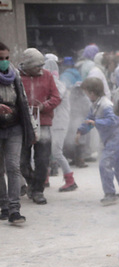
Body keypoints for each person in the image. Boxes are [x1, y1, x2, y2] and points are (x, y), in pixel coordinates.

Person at [19, 48, 61, 205]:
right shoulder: (17, 76)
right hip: (22, 124)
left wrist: (45, 106)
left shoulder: (47, 76)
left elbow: (56, 97)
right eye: (37, 66)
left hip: (43, 123)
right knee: (21, 161)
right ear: (27, 65)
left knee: (42, 159)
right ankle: (31, 182)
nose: (40, 69)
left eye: (41, 65)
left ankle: (38, 191)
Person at [75, 77, 119, 206]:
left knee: (105, 164)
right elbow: (89, 120)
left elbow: (114, 121)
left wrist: (96, 122)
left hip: (115, 138)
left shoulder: (106, 105)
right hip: (109, 139)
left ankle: (110, 194)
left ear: (92, 93)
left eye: (86, 92)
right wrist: (80, 131)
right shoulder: (96, 104)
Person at [0, 42, 34, 224]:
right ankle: (3, 206)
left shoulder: (15, 75)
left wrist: (31, 128)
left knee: (13, 167)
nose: (4, 62)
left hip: (14, 127)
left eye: (7, 58)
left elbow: (24, 101)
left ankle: (14, 209)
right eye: (0, 59)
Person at [43, 55, 77, 193]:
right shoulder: (51, 83)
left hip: (59, 123)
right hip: (52, 122)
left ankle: (70, 180)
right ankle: (44, 178)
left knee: (56, 152)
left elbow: (54, 100)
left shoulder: (57, 84)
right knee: (45, 150)